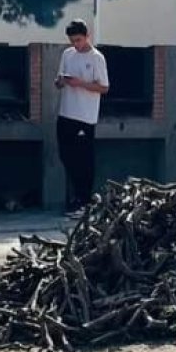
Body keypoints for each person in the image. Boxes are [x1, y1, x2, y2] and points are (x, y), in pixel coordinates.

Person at [56, 19, 109, 217]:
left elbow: (104, 87)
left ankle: (85, 201)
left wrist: (81, 84)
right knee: (66, 156)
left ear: (87, 36)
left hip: (84, 116)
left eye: (78, 40)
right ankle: (77, 197)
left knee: (83, 160)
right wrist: (61, 82)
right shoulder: (67, 54)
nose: (75, 45)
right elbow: (60, 78)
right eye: (72, 41)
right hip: (65, 112)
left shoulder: (97, 58)